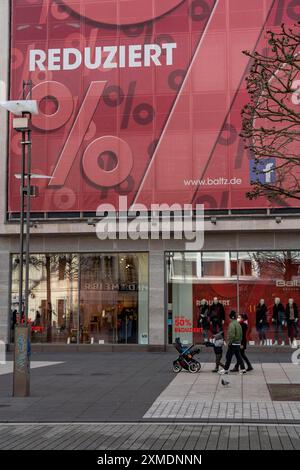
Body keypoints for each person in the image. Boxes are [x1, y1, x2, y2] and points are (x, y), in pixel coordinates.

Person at [218, 310, 246, 375]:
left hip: (233, 343)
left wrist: (229, 342)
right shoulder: (238, 324)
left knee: (228, 356)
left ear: (230, 317)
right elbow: (241, 334)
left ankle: (226, 369)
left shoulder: (232, 324)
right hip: (238, 343)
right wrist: (239, 342)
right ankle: (243, 369)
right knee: (238, 357)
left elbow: (231, 335)